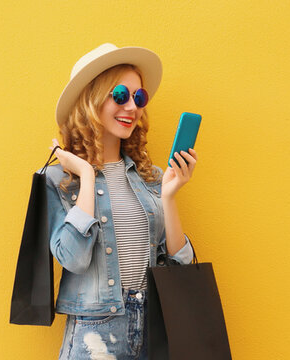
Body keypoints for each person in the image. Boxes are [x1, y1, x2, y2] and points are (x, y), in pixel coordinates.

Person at [43, 43, 198, 360]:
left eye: (139, 98)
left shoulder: (151, 178)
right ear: (91, 100)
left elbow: (179, 267)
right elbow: (72, 258)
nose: (132, 107)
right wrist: (87, 174)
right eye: (120, 95)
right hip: (93, 336)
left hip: (153, 329)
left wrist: (168, 198)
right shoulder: (59, 180)